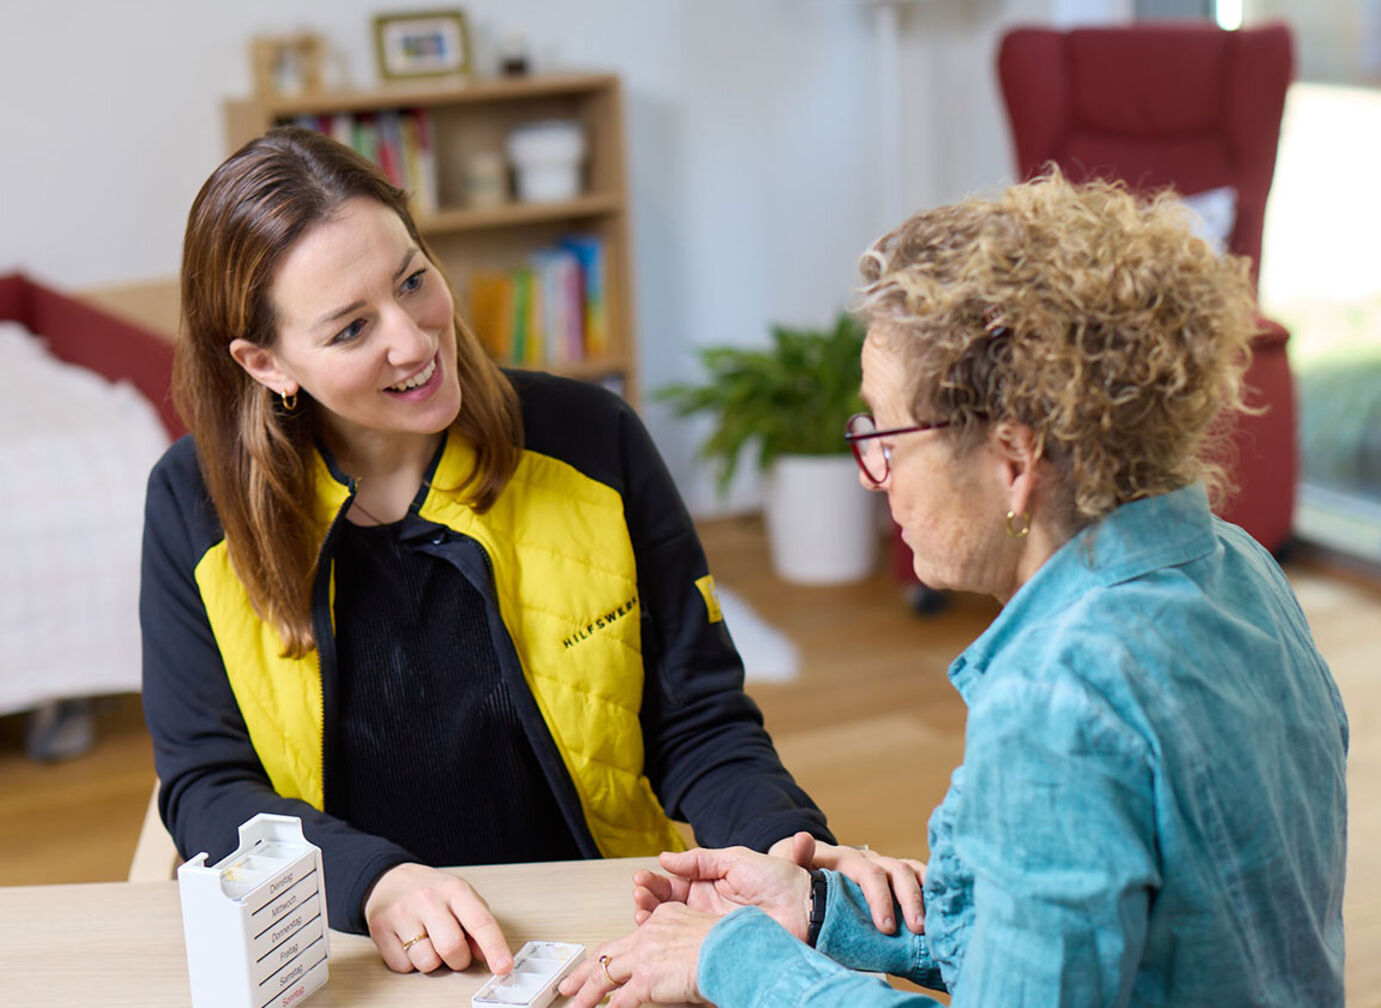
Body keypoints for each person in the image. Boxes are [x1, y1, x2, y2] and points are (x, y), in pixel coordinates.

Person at [139, 126, 921, 977]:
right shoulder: (193, 504)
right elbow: (206, 785)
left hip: (602, 934)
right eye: (352, 328)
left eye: (413, 281)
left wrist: (788, 854)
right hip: (354, 954)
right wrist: (376, 883)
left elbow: (698, 718)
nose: (413, 340)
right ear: (266, 363)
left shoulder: (593, 438)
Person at [558, 173, 1350, 1006]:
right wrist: (820, 909)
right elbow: (1069, 928)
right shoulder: (1237, 566)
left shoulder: (1060, 702)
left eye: (888, 436)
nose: (875, 477)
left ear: (1013, 458)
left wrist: (734, 958)